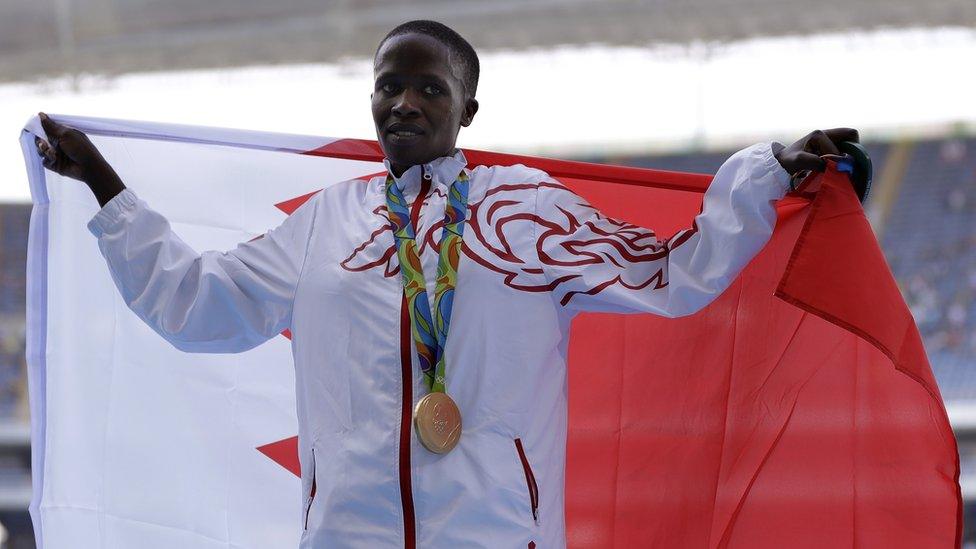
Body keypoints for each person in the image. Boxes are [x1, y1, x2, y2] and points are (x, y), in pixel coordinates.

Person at [34, 19, 859, 549]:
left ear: (468, 110)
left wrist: (765, 173)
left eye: (430, 86)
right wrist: (108, 191)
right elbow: (198, 305)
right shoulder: (325, 221)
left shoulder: (525, 209)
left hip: (499, 534)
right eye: (390, 85)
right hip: (347, 537)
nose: (405, 102)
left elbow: (673, 273)